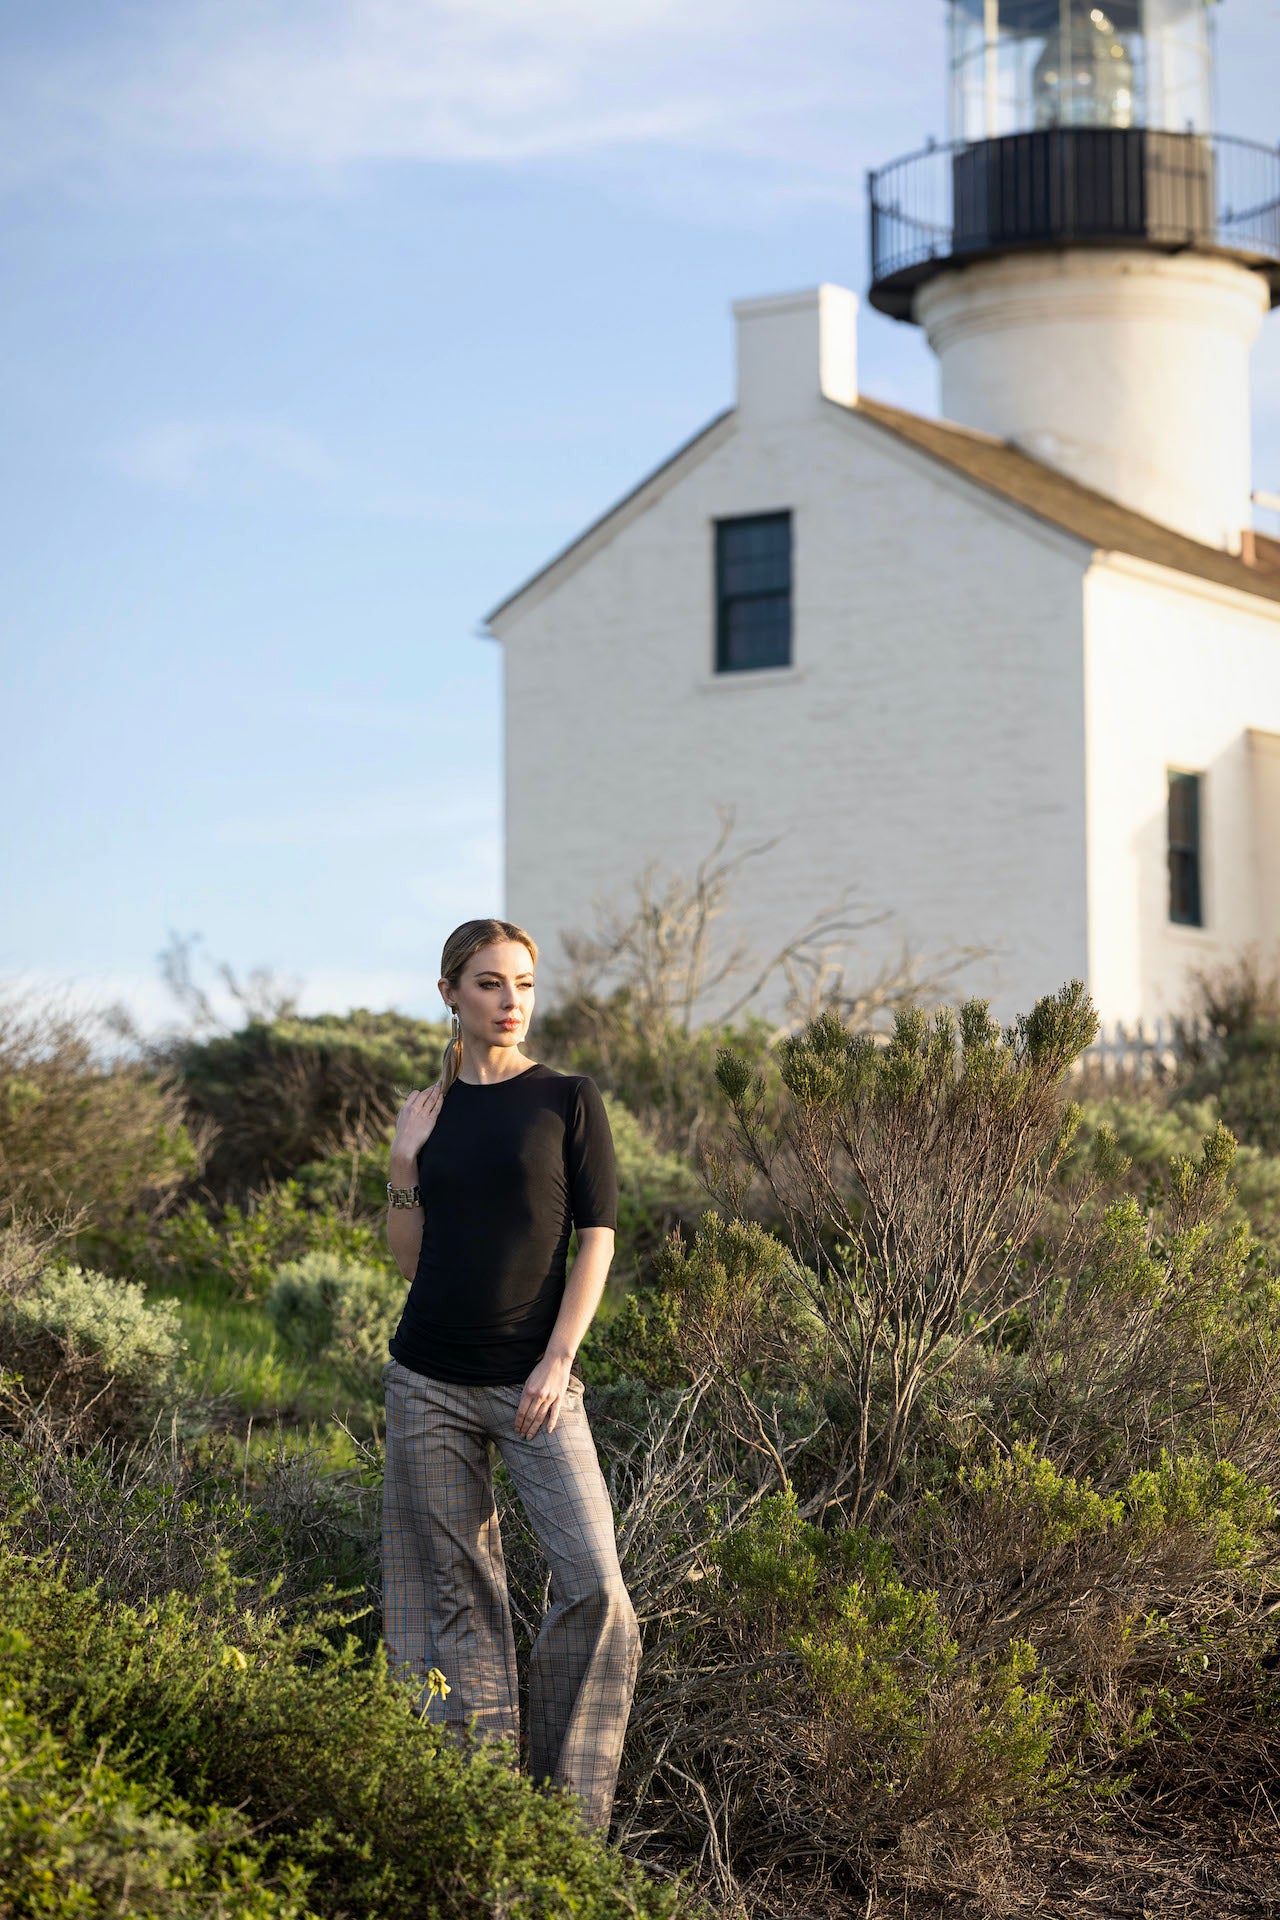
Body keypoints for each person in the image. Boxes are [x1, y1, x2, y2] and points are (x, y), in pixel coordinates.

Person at [380, 916, 641, 1835]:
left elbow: (597, 1239)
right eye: (490, 984)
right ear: (450, 992)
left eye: (523, 984)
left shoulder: (566, 1099)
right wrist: (404, 1166)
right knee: (453, 1599)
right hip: (428, 1383)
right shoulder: (428, 1112)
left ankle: (566, 1826)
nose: (510, 1003)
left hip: (533, 1380)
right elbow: (412, 1262)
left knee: (596, 1585)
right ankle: (477, 1812)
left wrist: (559, 1358)